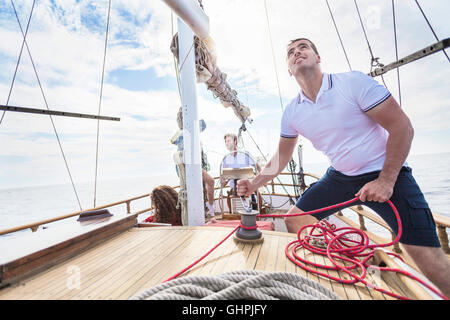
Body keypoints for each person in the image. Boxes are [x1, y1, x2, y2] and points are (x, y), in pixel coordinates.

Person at [237, 38, 450, 297]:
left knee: (431, 263)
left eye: (303, 47)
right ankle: (340, 261)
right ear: (289, 70)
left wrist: (385, 181)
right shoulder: (292, 112)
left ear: (318, 57)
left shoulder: (352, 83)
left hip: (387, 173)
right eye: (291, 52)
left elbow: (402, 127)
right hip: (341, 177)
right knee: (296, 219)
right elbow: (280, 159)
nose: (297, 53)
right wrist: (253, 184)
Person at [171, 109, 215, 217]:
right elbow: (203, 125)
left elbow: (203, 125)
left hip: (195, 165)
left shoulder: (189, 132)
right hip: (189, 166)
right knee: (210, 181)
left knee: (202, 187)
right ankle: (209, 206)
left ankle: (206, 208)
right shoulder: (183, 133)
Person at [221, 133, 261, 210]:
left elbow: (257, 166)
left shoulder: (245, 154)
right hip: (234, 190)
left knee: (254, 209)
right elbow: (223, 175)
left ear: (235, 141)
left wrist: (260, 179)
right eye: (225, 141)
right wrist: (223, 182)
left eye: (229, 141)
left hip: (247, 189)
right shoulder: (226, 159)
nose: (226, 143)